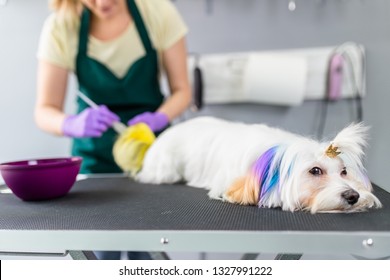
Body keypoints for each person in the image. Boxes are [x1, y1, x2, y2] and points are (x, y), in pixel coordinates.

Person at [35, 0, 191, 259]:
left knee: (148, 258)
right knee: (99, 257)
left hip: (151, 161)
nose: (103, 3)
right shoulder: (61, 27)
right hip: (95, 167)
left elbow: (182, 91)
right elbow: (44, 110)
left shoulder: (158, 12)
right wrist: (70, 124)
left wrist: (159, 118)